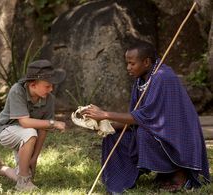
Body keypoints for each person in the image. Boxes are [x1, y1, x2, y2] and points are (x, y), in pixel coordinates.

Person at [81, 41, 210, 194]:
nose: (128, 67)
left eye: (131, 63)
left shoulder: (163, 77)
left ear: (146, 62)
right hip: (155, 130)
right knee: (112, 136)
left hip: (178, 138)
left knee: (143, 134)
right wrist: (103, 124)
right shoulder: (142, 79)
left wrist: (105, 114)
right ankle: (124, 179)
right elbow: (136, 117)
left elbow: (144, 118)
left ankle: (179, 174)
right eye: (127, 63)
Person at [0, 60, 66, 191]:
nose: (51, 89)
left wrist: (34, 157)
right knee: (30, 133)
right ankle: (23, 183)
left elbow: (43, 130)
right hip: (6, 131)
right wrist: (53, 123)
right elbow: (24, 122)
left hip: (26, 137)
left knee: (26, 173)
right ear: (33, 85)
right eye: (47, 86)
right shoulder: (17, 90)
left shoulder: (48, 98)